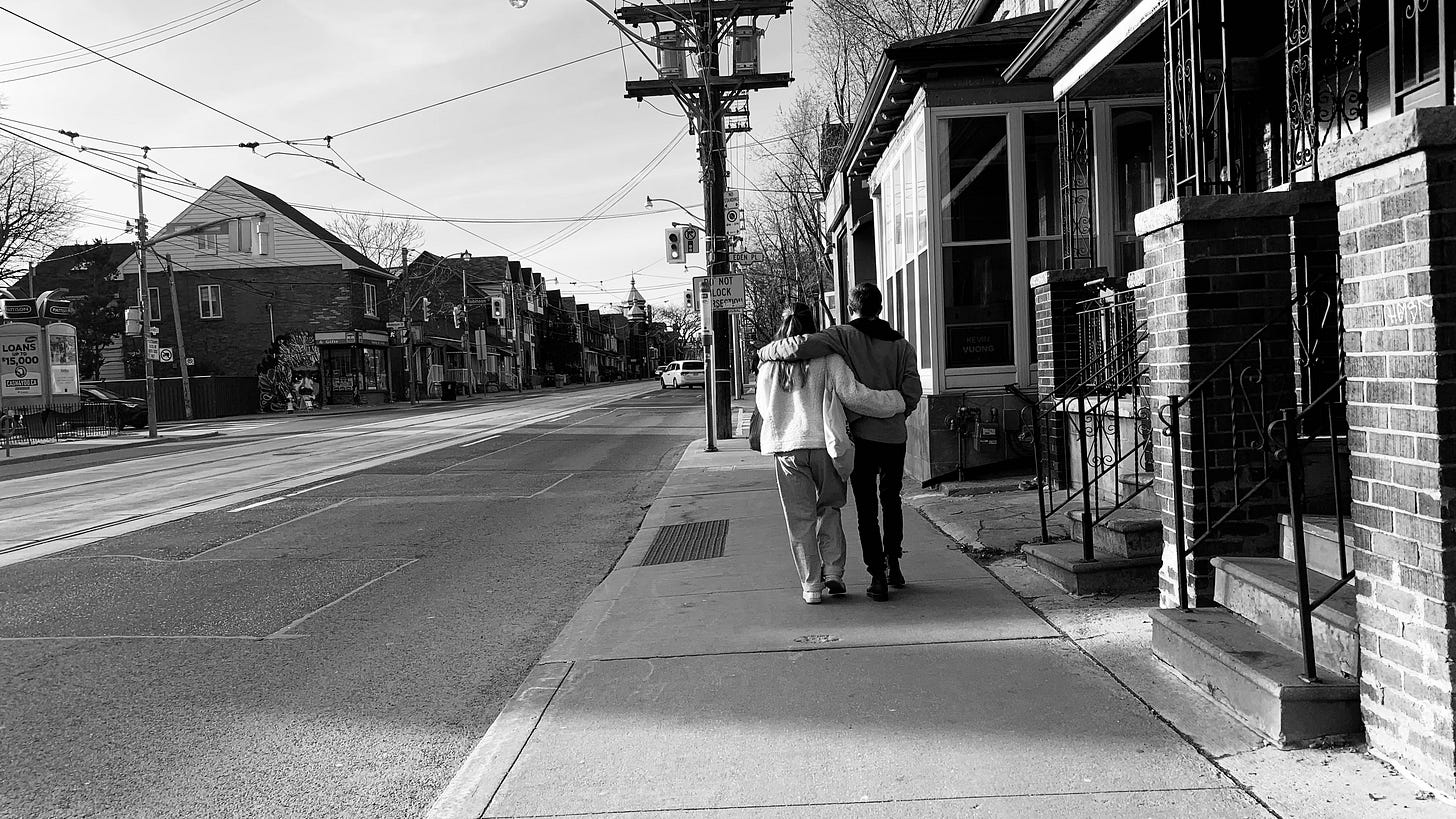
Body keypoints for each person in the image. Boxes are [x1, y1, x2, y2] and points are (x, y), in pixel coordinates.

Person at [758, 283, 922, 602]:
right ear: (880, 307)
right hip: (885, 437)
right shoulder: (900, 344)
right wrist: (900, 409)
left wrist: (765, 352)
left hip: (844, 439)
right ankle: (886, 564)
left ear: (850, 308)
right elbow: (904, 391)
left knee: (859, 510)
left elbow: (799, 348)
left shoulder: (840, 337)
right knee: (887, 500)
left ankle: (863, 577)